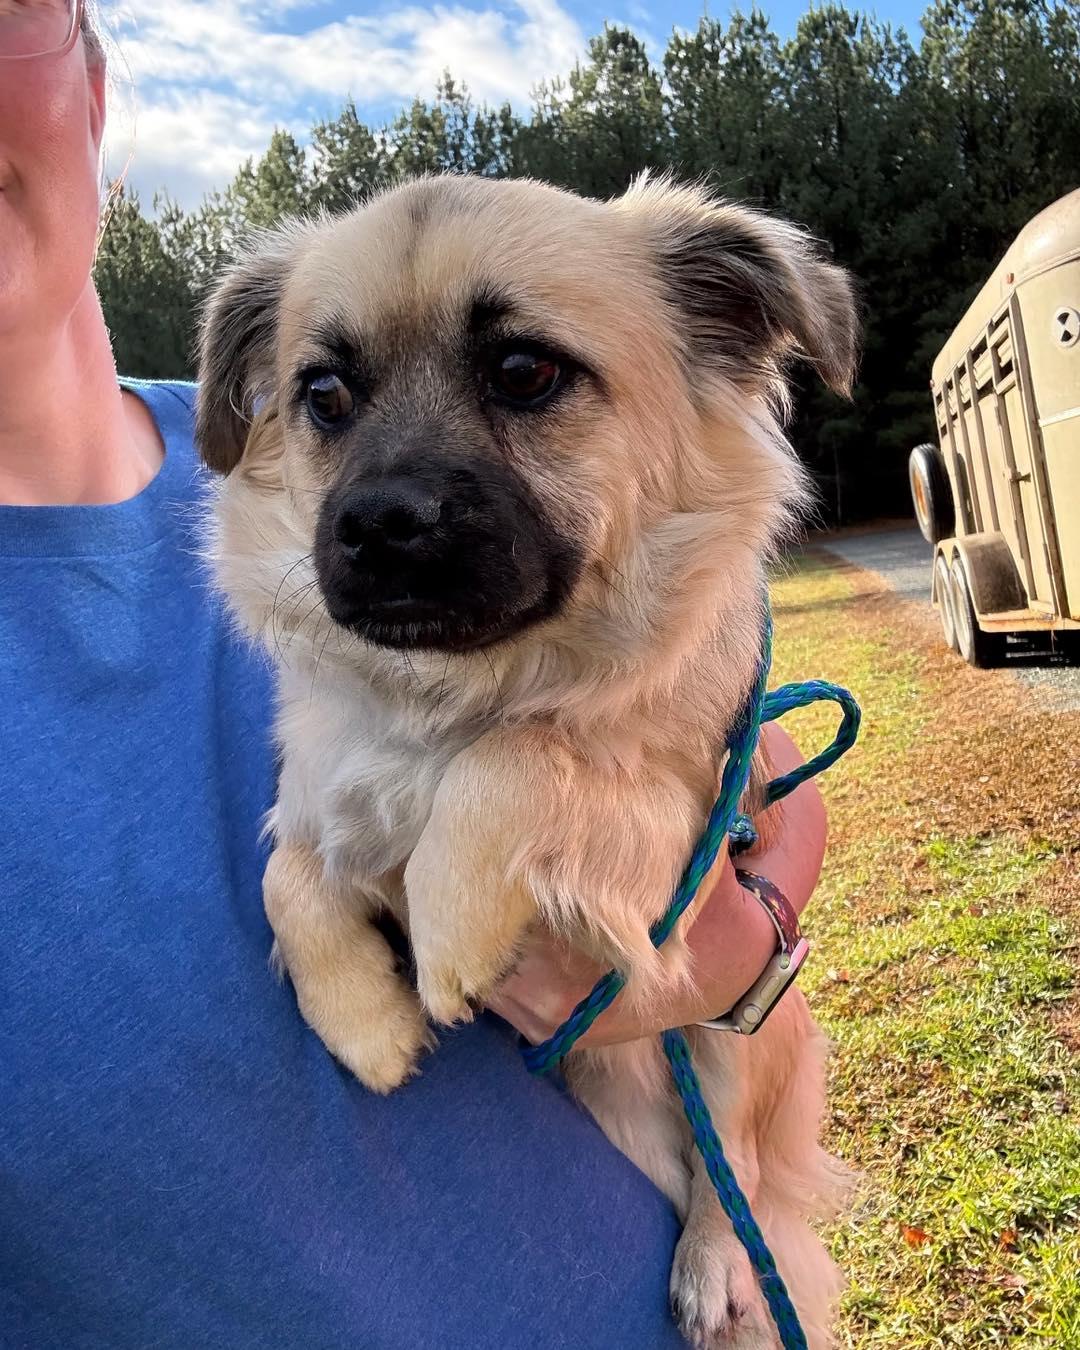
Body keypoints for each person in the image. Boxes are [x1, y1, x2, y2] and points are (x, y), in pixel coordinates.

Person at [0, 4, 829, 1347]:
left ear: (92, 84)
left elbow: (769, 823)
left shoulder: (624, 599)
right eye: (331, 398)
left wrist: (742, 929)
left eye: (520, 374)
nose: (389, 493)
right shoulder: (270, 541)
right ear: (266, 408)